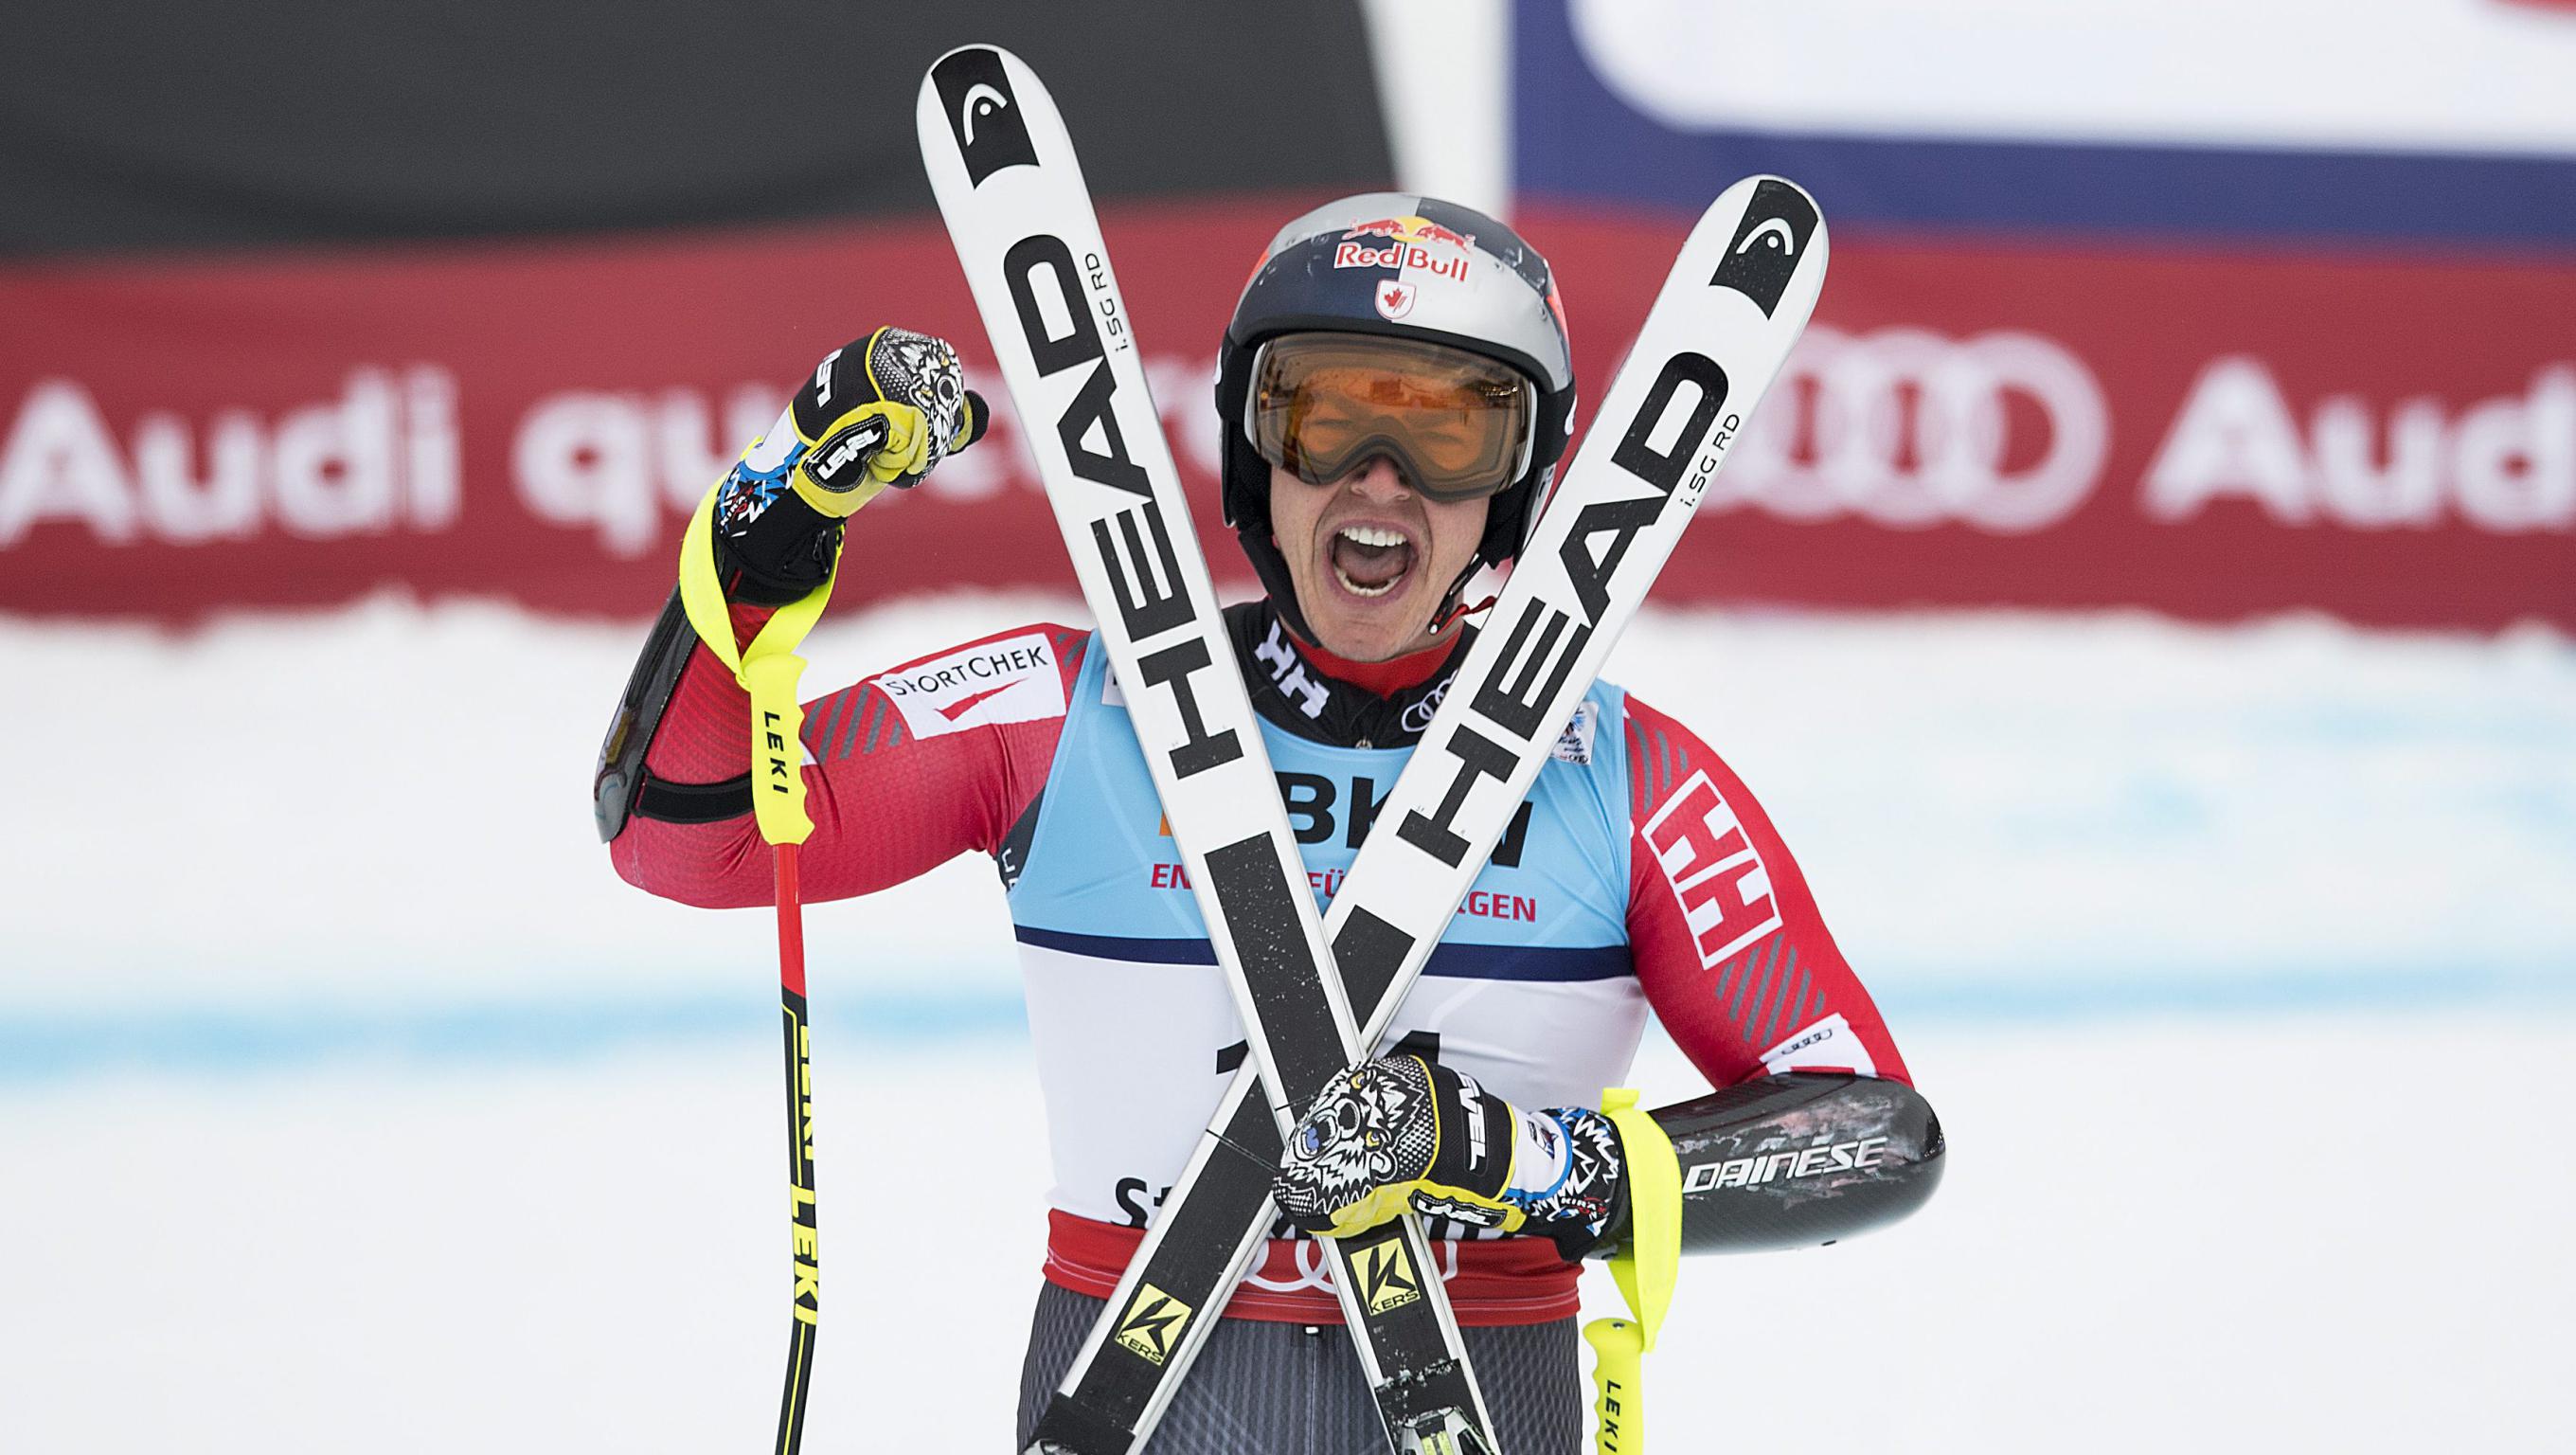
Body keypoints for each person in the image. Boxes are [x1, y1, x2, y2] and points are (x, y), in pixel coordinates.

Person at [594, 196, 1942, 1453]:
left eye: (1450, 430)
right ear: (1256, 450)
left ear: (1517, 487)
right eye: (1325, 416)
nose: (1380, 478)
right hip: (1131, 1392)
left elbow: (1873, 1131)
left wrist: (1518, 1158)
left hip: (1484, 1381)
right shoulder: (1064, 712)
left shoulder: (1628, 778)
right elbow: (677, 833)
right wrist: (773, 526)